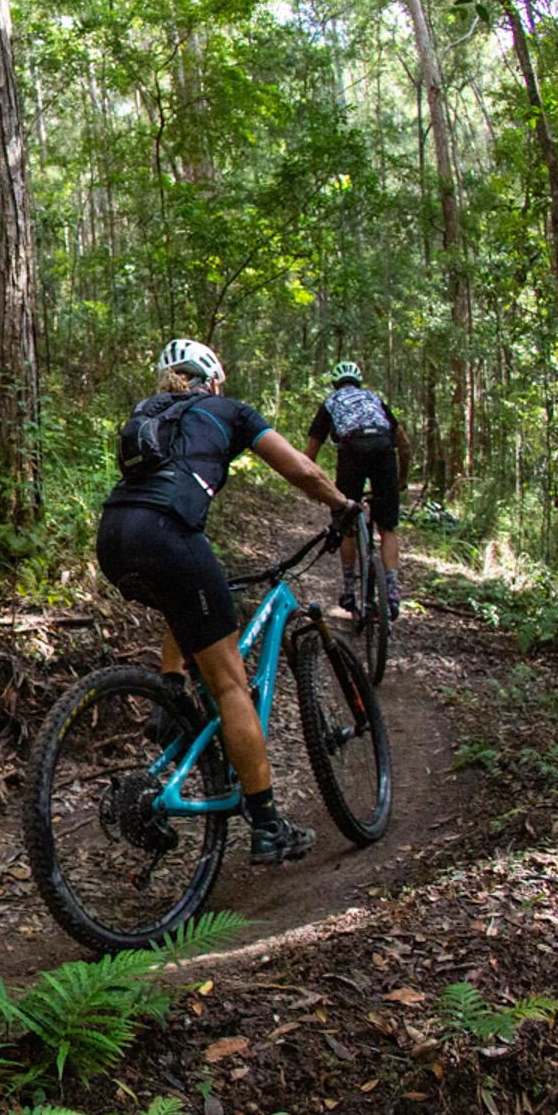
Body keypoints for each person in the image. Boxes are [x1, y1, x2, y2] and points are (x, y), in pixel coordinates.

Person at [96, 339, 362, 865]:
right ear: (213, 380)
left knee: (183, 596)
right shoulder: (230, 411)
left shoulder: (148, 412)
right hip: (169, 536)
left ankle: (170, 696)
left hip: (113, 536)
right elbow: (303, 471)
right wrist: (342, 504)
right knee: (229, 681)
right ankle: (267, 826)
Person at [302, 361, 408, 622]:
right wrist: (401, 480)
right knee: (388, 528)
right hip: (384, 451)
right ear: (359, 383)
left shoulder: (331, 402)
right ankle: (392, 593)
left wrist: (310, 485)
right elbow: (403, 443)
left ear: (336, 384)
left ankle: (349, 591)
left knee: (347, 520)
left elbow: (310, 453)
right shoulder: (375, 399)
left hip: (351, 452)